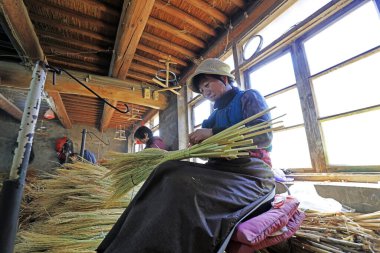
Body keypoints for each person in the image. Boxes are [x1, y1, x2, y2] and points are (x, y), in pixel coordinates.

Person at [97, 58, 275, 253]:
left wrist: (212, 133)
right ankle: (121, 246)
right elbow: (210, 147)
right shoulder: (215, 114)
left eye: (207, 85)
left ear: (224, 78)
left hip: (251, 172)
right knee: (165, 171)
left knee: (182, 185)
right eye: (202, 90)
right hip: (222, 169)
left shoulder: (248, 97)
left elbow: (263, 135)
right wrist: (201, 142)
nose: (205, 92)